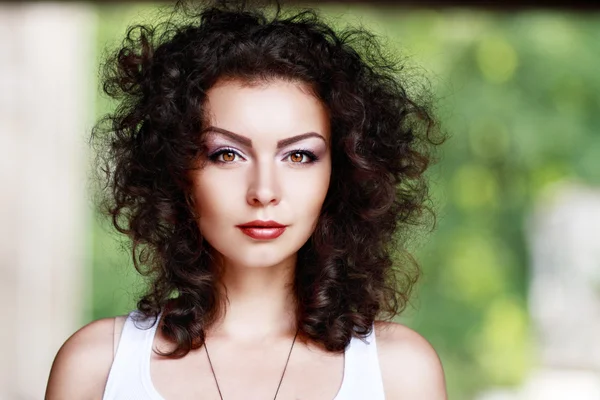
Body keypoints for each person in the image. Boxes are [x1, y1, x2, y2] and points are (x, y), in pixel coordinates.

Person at [46, 0, 447, 398]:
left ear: (340, 172)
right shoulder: (96, 366)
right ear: (175, 167)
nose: (264, 192)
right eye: (227, 154)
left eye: (298, 156)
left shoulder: (401, 373)